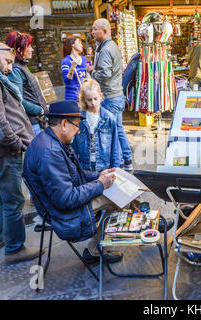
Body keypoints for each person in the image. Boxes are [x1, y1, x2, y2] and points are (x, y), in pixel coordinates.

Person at [23, 100, 124, 263]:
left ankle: (146, 219)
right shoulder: (50, 153)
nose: (78, 132)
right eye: (76, 125)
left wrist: (99, 174)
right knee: (117, 197)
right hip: (64, 216)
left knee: (115, 187)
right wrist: (100, 184)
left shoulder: (49, 139)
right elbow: (66, 199)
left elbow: (73, 174)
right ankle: (95, 250)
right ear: (64, 123)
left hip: (58, 207)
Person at [0, 42, 41, 264]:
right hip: (3, 152)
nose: (11, 67)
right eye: (8, 61)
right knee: (13, 200)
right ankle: (14, 248)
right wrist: (16, 144)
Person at [87, 18, 133, 171]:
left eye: (95, 29)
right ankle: (126, 160)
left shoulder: (106, 49)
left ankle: (119, 163)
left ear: (105, 31)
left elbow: (105, 74)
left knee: (111, 131)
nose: (92, 32)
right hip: (116, 95)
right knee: (118, 129)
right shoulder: (108, 46)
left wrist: (91, 72)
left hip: (110, 96)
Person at [71, 79, 120, 172]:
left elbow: (115, 147)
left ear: (101, 96)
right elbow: (74, 147)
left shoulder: (109, 118)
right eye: (89, 100)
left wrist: (115, 170)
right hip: (84, 168)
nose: (93, 103)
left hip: (104, 167)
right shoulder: (79, 119)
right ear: (83, 99)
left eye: (95, 98)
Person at [6, 31, 48, 137]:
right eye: (28, 46)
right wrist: (39, 109)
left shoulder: (21, 66)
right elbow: (17, 99)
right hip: (32, 122)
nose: (32, 49)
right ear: (19, 50)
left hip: (37, 120)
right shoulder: (15, 70)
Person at [61, 36, 87, 101]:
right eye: (79, 42)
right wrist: (72, 68)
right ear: (72, 44)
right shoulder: (66, 61)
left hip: (84, 96)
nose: (82, 45)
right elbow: (67, 81)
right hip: (72, 97)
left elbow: (87, 77)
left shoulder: (84, 59)